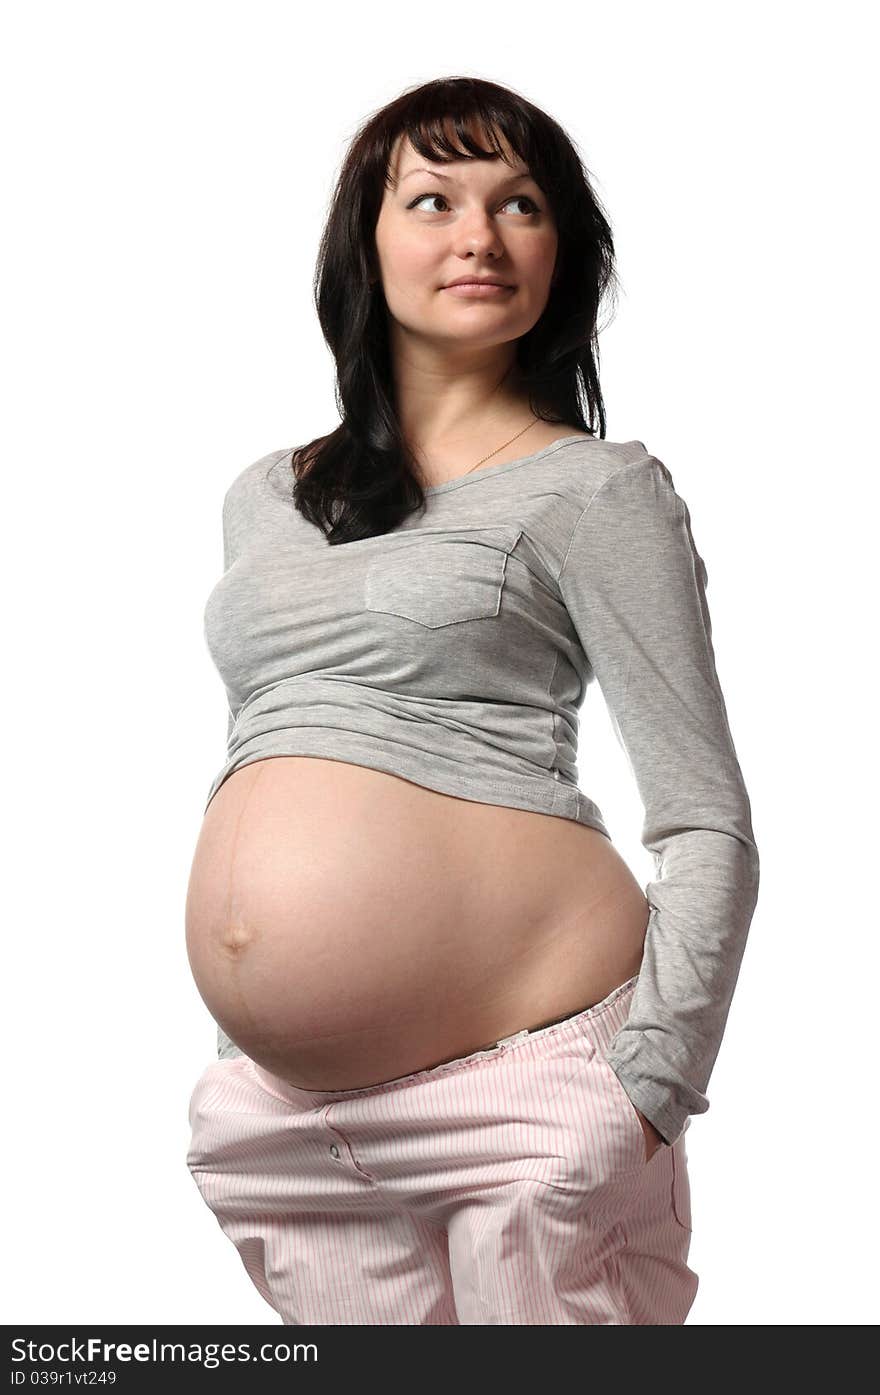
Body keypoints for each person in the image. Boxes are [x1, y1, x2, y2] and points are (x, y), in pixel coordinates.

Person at [184, 75, 759, 1326]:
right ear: (367, 240)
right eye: (433, 198)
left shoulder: (594, 490)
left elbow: (704, 817)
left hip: (528, 1097)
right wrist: (259, 1037)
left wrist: (647, 1088)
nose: (478, 236)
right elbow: (277, 747)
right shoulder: (269, 493)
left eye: (521, 204)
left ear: (566, 254)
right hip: (290, 1130)